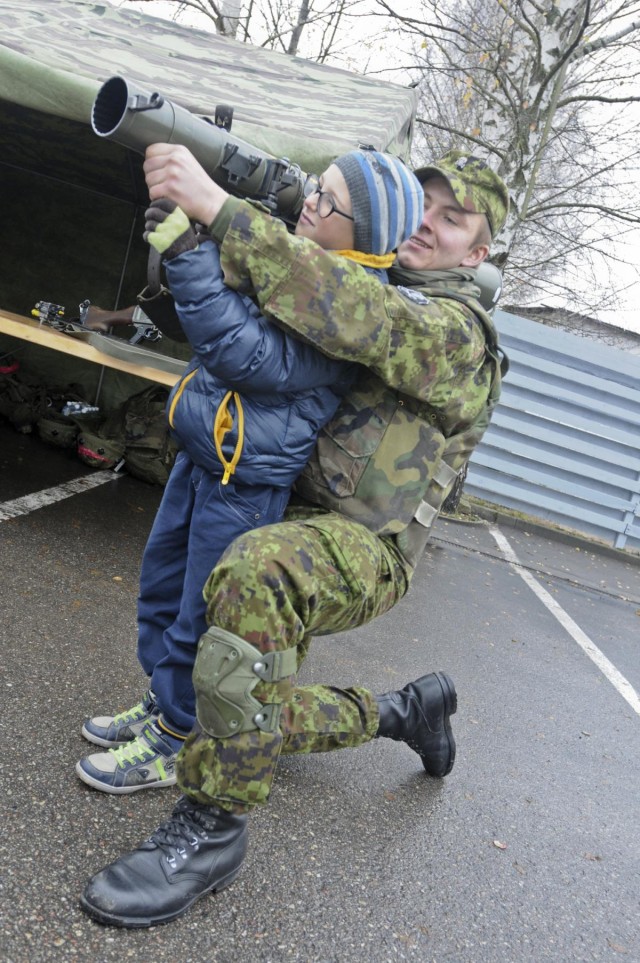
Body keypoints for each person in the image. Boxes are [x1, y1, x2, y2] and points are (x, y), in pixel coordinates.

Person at [80, 145, 510, 928]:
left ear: (477, 254)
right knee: (239, 695)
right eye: (426, 206)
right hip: (283, 499)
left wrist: (217, 206)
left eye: (455, 221)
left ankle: (212, 827)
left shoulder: (457, 335)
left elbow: (361, 314)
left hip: (361, 543)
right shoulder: (366, 271)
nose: (430, 226)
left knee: (256, 576)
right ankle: (401, 712)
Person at [76, 149, 425, 794]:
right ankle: (162, 705)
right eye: (314, 190)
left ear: (367, 237)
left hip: (245, 484)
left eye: (326, 201)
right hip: (205, 458)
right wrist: (198, 244)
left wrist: (188, 256)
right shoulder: (294, 268)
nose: (308, 204)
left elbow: (250, 357)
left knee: (198, 618)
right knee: (160, 590)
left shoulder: (348, 311)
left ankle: (178, 736)